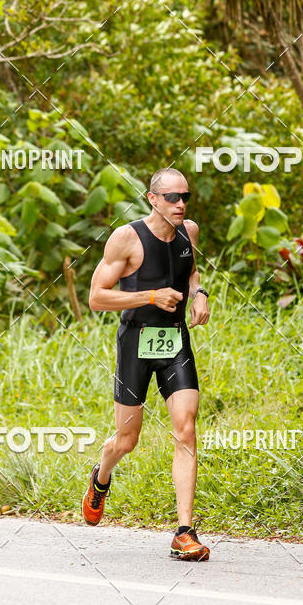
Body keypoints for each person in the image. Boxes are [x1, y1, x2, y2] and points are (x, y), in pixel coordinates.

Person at [82, 167, 211, 560]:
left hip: (174, 342)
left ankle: (184, 532)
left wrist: (199, 293)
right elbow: (97, 298)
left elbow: (191, 273)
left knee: (186, 430)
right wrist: (150, 297)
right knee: (127, 440)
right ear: (153, 199)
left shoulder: (189, 231)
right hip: (136, 342)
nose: (181, 204)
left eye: (184, 196)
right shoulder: (127, 238)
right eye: (172, 197)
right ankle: (101, 477)